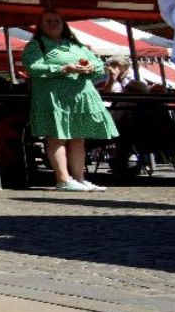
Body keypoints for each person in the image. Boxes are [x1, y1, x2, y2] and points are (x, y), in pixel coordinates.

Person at [22, 11, 118, 192]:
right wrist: (63, 68)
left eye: (57, 21)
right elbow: (34, 68)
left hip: (79, 98)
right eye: (48, 21)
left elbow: (98, 65)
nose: (53, 24)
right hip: (54, 99)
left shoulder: (76, 45)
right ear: (40, 25)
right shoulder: (36, 46)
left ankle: (80, 179)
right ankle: (63, 180)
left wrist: (91, 67)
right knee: (57, 137)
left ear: (63, 24)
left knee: (78, 138)